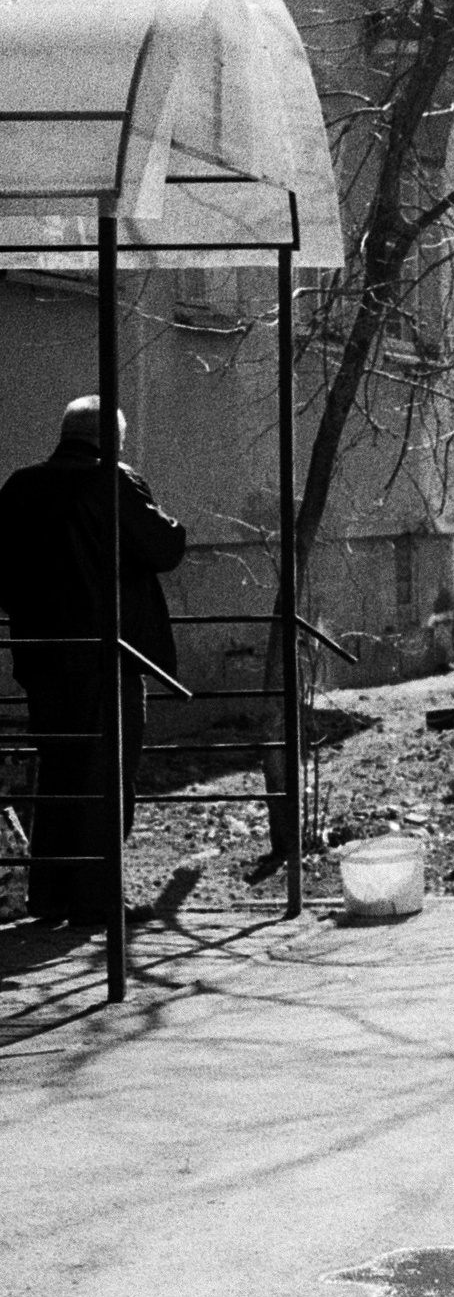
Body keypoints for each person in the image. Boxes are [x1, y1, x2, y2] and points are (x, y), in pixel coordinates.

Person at [0, 396, 187, 925]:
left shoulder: (20, 487)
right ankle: (96, 899)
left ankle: (50, 895)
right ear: (112, 440)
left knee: (59, 770)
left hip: (41, 655)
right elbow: (165, 547)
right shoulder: (113, 481)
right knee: (108, 772)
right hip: (109, 654)